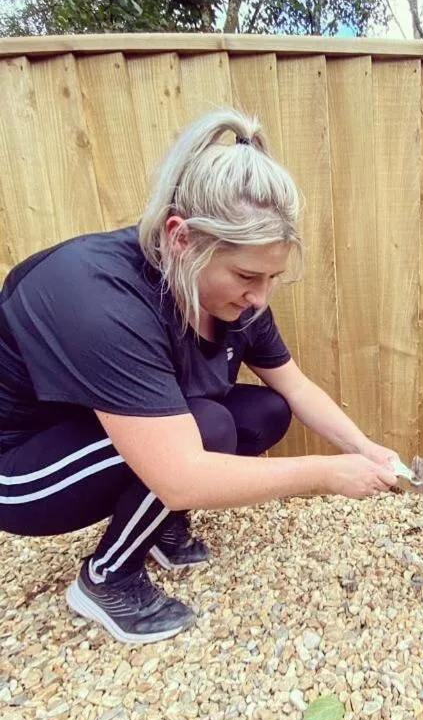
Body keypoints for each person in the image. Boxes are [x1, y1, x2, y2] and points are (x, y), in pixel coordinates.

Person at [0, 107, 398, 645]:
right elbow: (181, 474)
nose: (260, 296)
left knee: (265, 411)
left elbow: (295, 386)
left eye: (273, 277)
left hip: (105, 434)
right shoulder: (100, 298)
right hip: (21, 472)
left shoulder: (237, 301)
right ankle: (107, 578)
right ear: (181, 238)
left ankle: (158, 522)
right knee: (206, 430)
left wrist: (364, 447)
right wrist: (327, 474)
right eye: (247, 275)